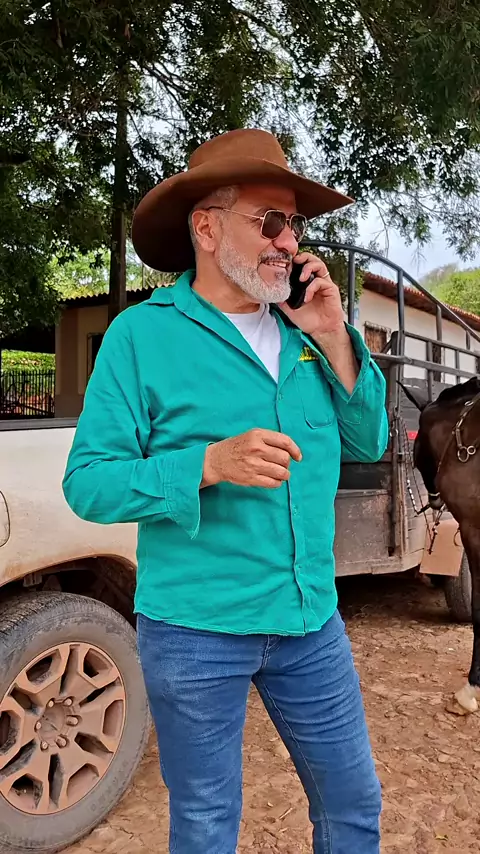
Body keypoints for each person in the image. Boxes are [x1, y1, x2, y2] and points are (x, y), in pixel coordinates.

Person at [63, 128, 389, 854]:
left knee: (353, 803)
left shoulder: (308, 334)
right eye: (269, 222)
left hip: (310, 621)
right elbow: (88, 484)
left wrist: (334, 333)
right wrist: (206, 464)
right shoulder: (140, 338)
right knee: (207, 822)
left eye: (294, 224)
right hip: (195, 630)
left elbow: (371, 442)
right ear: (206, 229)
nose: (289, 242)